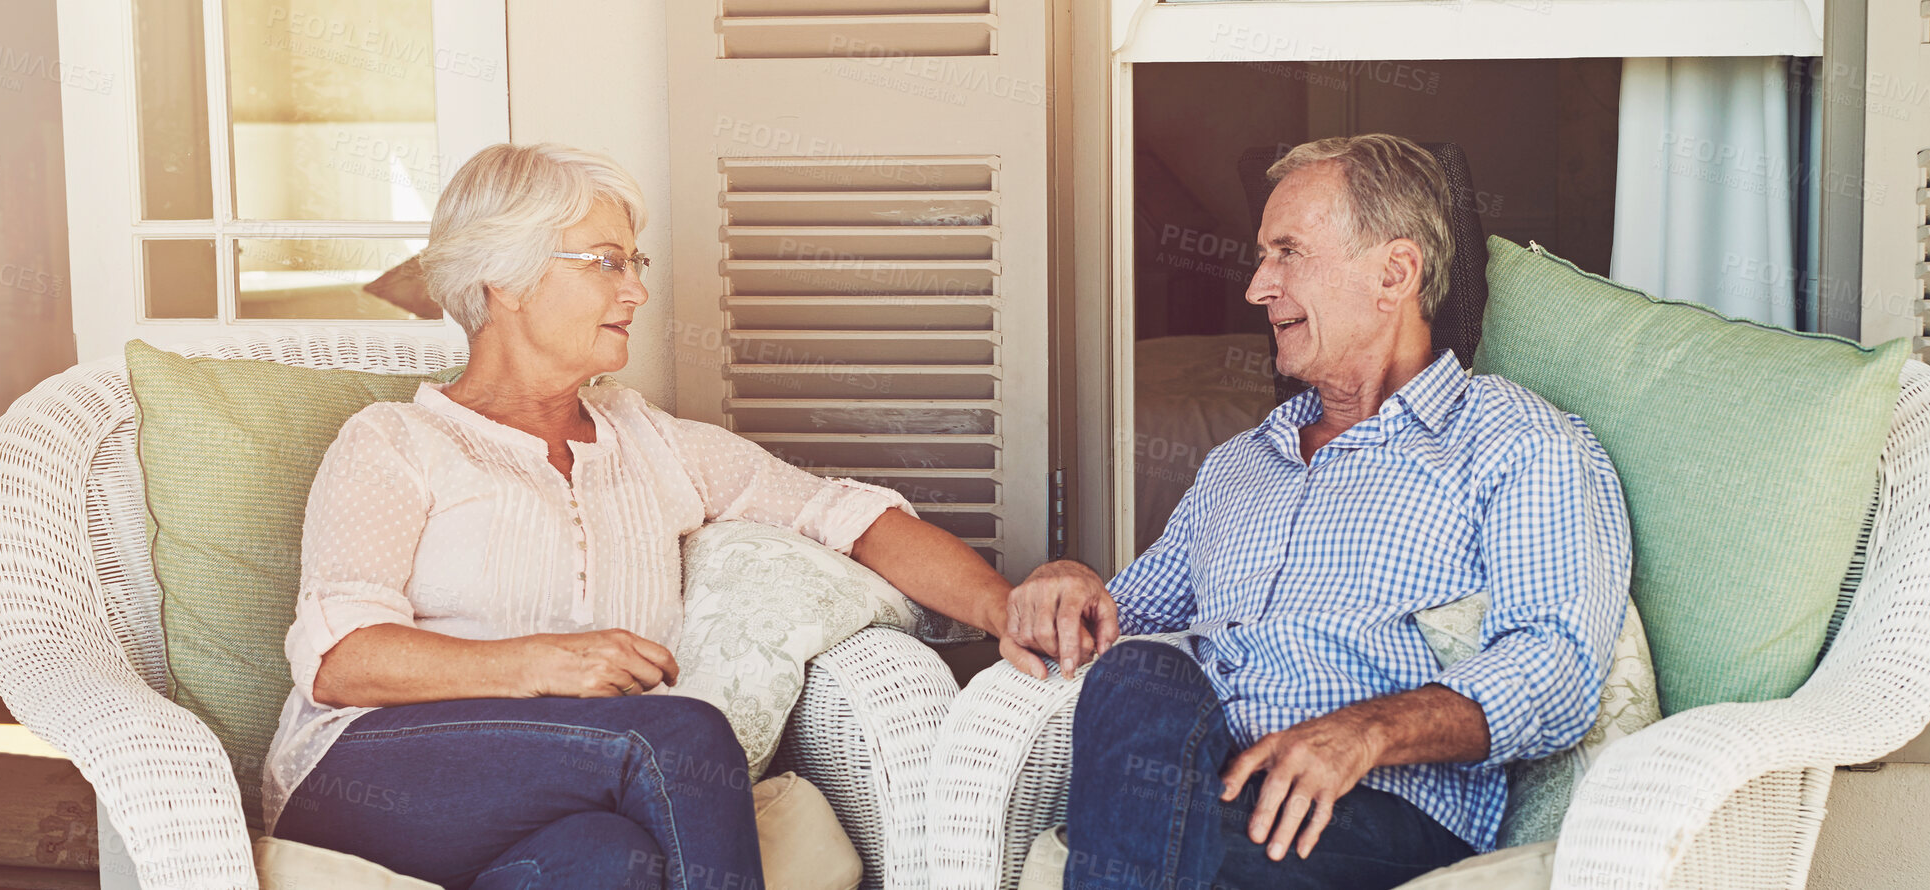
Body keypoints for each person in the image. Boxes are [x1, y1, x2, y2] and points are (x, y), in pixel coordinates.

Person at [264, 142, 1016, 889]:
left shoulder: (651, 442)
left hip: (558, 802)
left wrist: (1007, 607)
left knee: (607, 858)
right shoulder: (398, 441)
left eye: (635, 263)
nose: (635, 292)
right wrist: (543, 662)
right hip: (363, 777)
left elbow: (851, 517)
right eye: (605, 262)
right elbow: (340, 661)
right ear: (506, 277)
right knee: (678, 737)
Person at [1000, 134, 1634, 890]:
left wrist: (1364, 733)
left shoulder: (1513, 441)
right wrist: (1069, 586)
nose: (1257, 288)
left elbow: (1557, 666)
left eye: (1288, 253)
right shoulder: (1238, 463)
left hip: (1377, 813)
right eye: (1263, 257)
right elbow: (1116, 620)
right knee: (1139, 675)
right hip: (1203, 797)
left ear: (1395, 273)